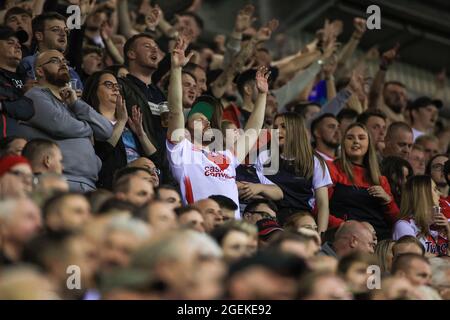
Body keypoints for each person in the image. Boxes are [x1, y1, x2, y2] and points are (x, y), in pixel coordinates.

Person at [166, 36, 270, 219]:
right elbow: (175, 111)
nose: (206, 122)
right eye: (199, 118)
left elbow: (253, 131)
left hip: (232, 230)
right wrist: (176, 69)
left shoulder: (226, 157)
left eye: (208, 120)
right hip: (201, 226)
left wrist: (262, 95)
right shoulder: (181, 151)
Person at [18, 50, 113, 192]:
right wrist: (89, 130)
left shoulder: (71, 102)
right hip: (60, 179)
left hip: (88, 183)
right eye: (55, 61)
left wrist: (76, 103)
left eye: (64, 61)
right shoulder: (34, 96)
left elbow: (106, 130)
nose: (63, 64)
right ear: (40, 71)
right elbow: (61, 126)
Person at [256, 112, 332, 233]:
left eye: (283, 127)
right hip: (270, 216)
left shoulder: (314, 161)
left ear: (296, 130)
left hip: (301, 218)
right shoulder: (264, 156)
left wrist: (321, 236)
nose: (277, 131)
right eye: (275, 127)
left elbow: (323, 204)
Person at [82, 70, 157, 189]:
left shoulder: (130, 124)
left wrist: (141, 135)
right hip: (112, 186)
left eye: (117, 86)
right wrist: (121, 122)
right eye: (108, 85)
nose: (115, 89)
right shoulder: (87, 122)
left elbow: (157, 162)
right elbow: (99, 157)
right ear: (94, 89)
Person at [328, 123, 399, 240]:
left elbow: (396, 221)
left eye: (361, 138)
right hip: (345, 236)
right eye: (350, 138)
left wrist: (387, 200)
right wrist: (346, 226)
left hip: (379, 238)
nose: (356, 141)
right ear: (343, 143)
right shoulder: (332, 169)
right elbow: (319, 208)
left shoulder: (380, 179)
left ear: (369, 144)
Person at [18, 12, 83, 90]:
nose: (63, 34)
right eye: (55, 29)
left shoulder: (72, 72)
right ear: (39, 36)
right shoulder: (29, 63)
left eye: (66, 30)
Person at [393, 175, 450, 257]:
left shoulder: (442, 224)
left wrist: (449, 231)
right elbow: (412, 258)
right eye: (434, 189)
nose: (440, 193)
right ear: (423, 194)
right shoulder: (404, 225)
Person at [0, 26, 35, 138]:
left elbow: (28, 109)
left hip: (23, 146)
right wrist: (24, 93)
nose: (18, 46)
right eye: (10, 42)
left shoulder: (27, 77)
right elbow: (25, 110)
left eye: (18, 43)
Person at [0, 198, 42, 265]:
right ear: (3, 225)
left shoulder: (39, 262)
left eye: (39, 218)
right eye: (30, 217)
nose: (39, 224)